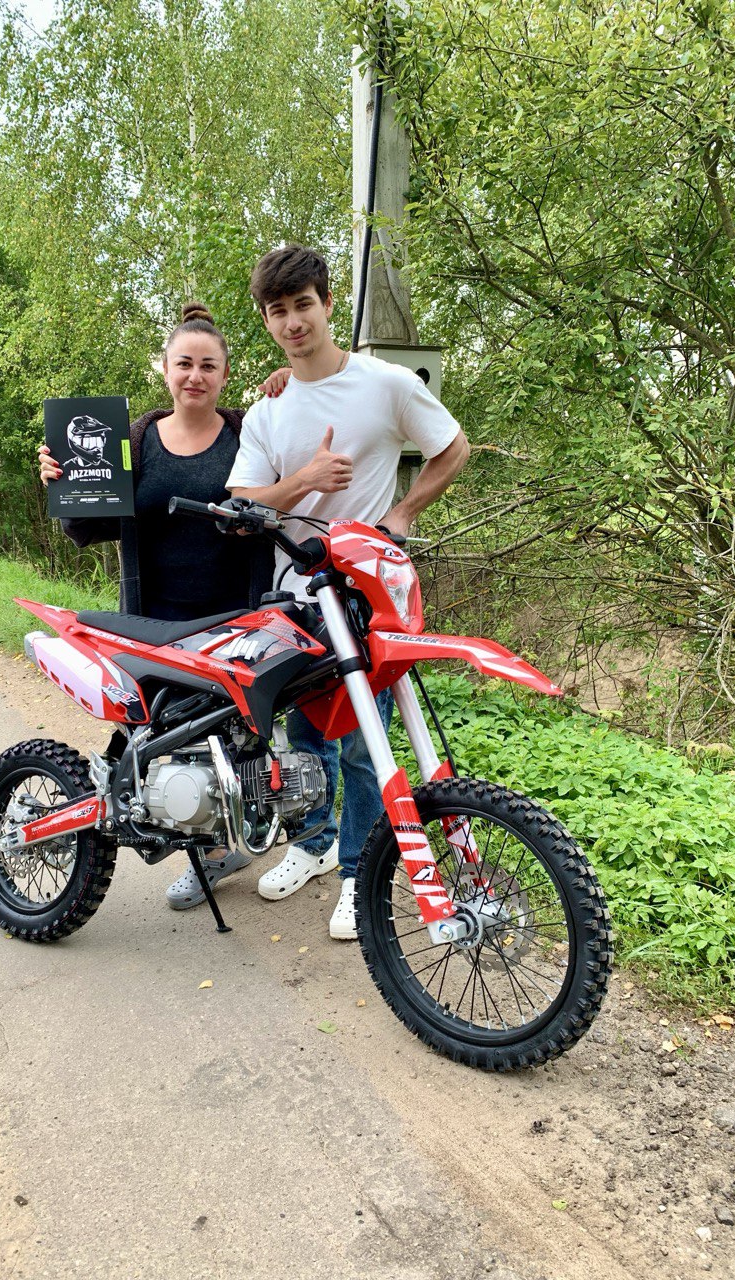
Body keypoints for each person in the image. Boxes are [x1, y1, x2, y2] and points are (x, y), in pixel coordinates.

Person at [227, 245, 470, 940]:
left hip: (365, 599)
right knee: (305, 736)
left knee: (367, 743)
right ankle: (313, 844)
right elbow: (242, 506)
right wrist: (305, 479)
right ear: (266, 321)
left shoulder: (385, 384)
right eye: (278, 311)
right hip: (295, 603)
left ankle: (359, 872)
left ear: (328, 303)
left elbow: (453, 447)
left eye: (303, 305)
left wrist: (402, 515)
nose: (293, 322)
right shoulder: (269, 409)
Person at [38, 301, 278, 910]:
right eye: (184, 364)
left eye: (208, 365)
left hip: (234, 617)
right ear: (165, 369)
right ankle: (182, 847)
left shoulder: (249, 433)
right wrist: (64, 484)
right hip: (153, 620)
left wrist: (287, 381)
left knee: (236, 741)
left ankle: (225, 852)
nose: (195, 376)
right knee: (159, 742)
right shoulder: (134, 441)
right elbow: (91, 526)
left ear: (225, 374)